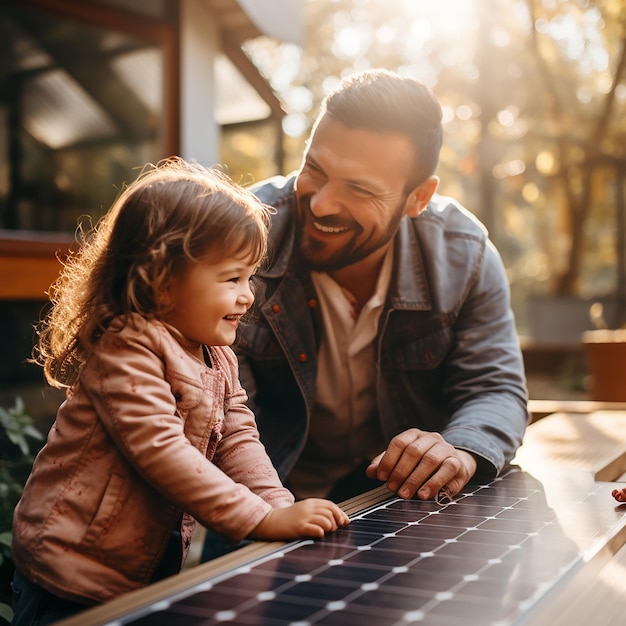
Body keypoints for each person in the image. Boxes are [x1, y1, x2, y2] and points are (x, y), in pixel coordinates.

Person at [10, 158, 348, 625]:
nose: (248, 295)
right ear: (162, 280)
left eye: (249, 277)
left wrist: (278, 507)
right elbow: (161, 450)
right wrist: (258, 520)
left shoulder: (217, 356)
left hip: (143, 566)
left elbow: (238, 439)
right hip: (71, 572)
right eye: (232, 278)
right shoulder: (126, 350)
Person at [230, 69, 529, 514]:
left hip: (398, 505)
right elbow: (223, 414)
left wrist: (460, 450)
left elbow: (494, 387)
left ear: (418, 198)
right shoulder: (239, 237)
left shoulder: (465, 255)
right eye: (314, 168)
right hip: (264, 503)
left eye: (358, 189)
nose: (320, 203)